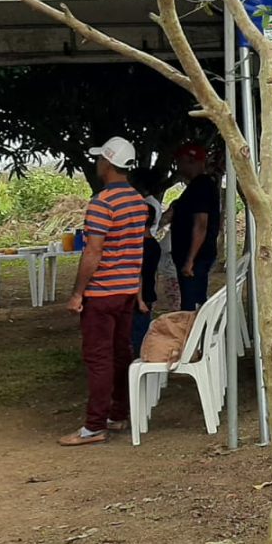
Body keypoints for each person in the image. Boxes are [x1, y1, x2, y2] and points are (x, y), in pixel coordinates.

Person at [60, 137, 150, 446]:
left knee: (99, 358)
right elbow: (136, 251)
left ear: (108, 164)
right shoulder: (139, 202)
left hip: (101, 294)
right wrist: (137, 291)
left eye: (100, 160)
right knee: (120, 353)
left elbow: (93, 253)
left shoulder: (101, 203)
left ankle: (94, 426)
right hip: (125, 292)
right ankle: (117, 415)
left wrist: (77, 293)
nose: (97, 164)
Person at [167, 143, 220, 312]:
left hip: (196, 258)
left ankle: (195, 335)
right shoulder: (197, 186)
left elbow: (201, 224)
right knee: (191, 301)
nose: (178, 167)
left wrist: (190, 259)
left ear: (191, 160)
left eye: (180, 162)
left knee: (192, 305)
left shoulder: (201, 186)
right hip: (193, 256)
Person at [130, 168, 166, 357]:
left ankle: (138, 361)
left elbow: (137, 274)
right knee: (141, 331)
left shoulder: (139, 247)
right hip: (148, 294)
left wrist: (139, 300)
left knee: (137, 334)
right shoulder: (153, 245)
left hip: (139, 298)